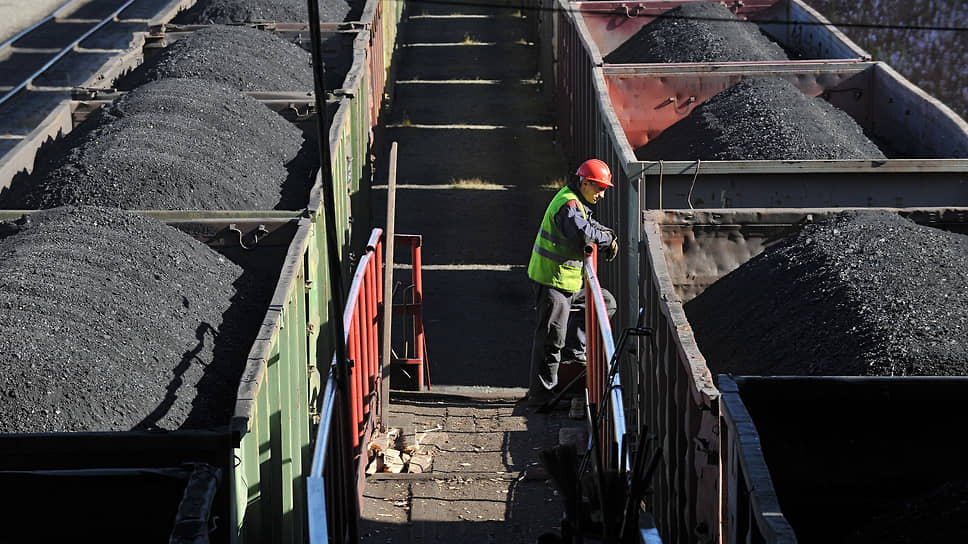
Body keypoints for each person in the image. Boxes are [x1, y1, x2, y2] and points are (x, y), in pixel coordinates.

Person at [527, 158, 618, 405]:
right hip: (553, 281)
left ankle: (575, 351)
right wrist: (606, 240)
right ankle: (541, 396)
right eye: (599, 188)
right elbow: (583, 235)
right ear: (585, 183)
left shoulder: (575, 201)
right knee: (551, 339)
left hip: (568, 283)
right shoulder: (568, 205)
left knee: (606, 303)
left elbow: (588, 224)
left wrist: (608, 235)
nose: (602, 194)